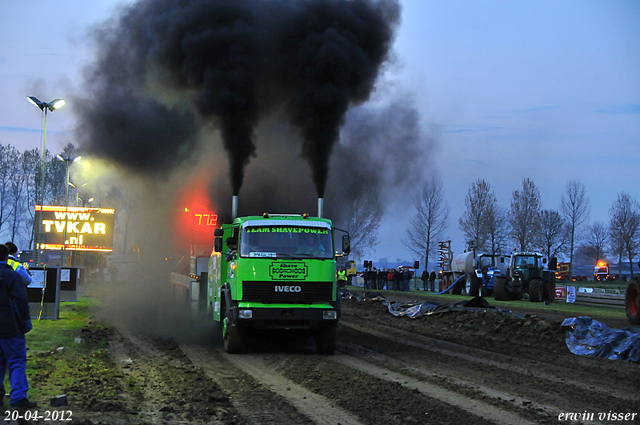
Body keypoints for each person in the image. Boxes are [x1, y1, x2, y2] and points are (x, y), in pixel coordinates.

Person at [0, 243, 36, 409]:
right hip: (10, 327)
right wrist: (25, 323)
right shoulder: (11, 275)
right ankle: (18, 398)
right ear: (6, 256)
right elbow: (20, 301)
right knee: (16, 361)